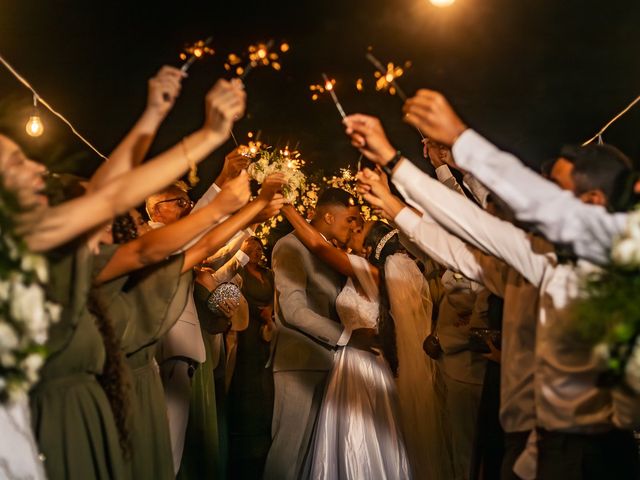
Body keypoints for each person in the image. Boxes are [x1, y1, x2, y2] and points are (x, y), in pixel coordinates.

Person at [347, 114, 640, 479]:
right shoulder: (535, 258)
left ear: (593, 202)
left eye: (553, 192)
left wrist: (399, 160)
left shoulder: (594, 260)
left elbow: (481, 225)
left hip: (585, 449)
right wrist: (396, 206)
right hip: (530, 436)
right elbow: (461, 249)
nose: (539, 201)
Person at [399, 89, 639, 265]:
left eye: (553, 189)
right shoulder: (546, 259)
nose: (537, 194)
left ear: (594, 200)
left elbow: (526, 199)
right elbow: (471, 236)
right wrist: (397, 167)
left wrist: (460, 137)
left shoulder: (621, 252)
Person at [281, 203, 412, 478]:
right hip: (349, 359)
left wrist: (288, 207)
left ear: (369, 247)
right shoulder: (364, 269)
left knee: (358, 436)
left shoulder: (368, 270)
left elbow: (318, 246)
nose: (354, 226)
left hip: (361, 361)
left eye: (360, 227)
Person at [263, 188, 364, 480]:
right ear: (329, 216)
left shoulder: (333, 254)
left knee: (313, 456)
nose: (353, 227)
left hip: (330, 364)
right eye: (349, 220)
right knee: (288, 452)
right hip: (298, 362)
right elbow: (293, 310)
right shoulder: (290, 245)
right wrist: (347, 337)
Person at [228, 236, 276, 479]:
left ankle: (265, 425)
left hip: (267, 329)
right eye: (252, 249)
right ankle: (244, 428)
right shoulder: (239, 273)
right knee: (246, 375)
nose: (258, 252)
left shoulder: (269, 274)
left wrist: (271, 310)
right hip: (246, 330)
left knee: (266, 376)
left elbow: (276, 295)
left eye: (259, 248)